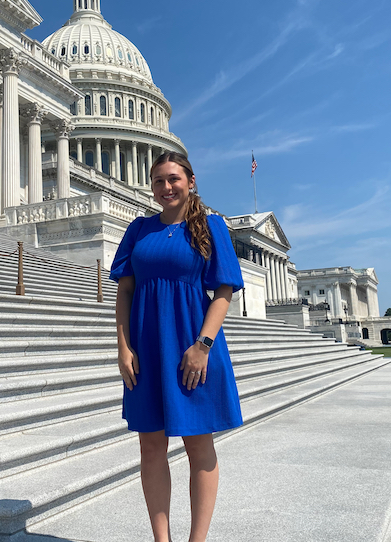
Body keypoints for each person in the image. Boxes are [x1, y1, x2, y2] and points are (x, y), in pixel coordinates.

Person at [110, 152, 243, 542]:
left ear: (191, 181)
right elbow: (125, 289)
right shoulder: (139, 229)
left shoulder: (211, 226)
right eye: (158, 181)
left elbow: (223, 291)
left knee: (198, 444)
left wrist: (202, 344)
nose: (166, 188)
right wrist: (122, 346)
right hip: (146, 347)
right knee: (151, 446)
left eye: (173, 179)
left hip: (192, 344)